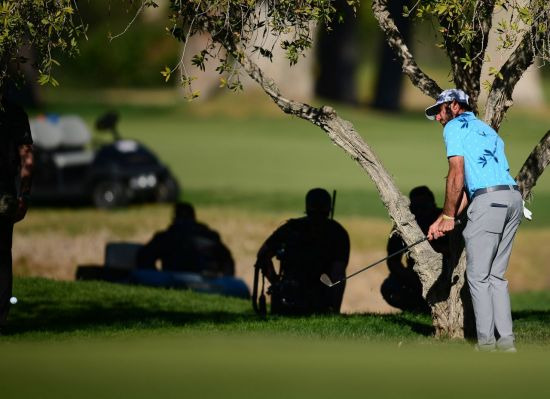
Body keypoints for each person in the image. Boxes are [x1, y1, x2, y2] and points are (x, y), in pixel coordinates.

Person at [425, 89, 523, 352]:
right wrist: (441, 220)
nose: (437, 119)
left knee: (478, 277)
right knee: (496, 277)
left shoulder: (454, 127)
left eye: (440, 111)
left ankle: (487, 347)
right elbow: (470, 189)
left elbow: (456, 174)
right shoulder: (485, 129)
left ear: (454, 106)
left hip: (489, 203)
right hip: (512, 199)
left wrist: (447, 216)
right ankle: (507, 346)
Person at [255, 188, 350, 315]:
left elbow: (262, 255)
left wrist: (276, 283)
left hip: (288, 296)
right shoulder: (339, 233)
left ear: (307, 207)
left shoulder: (290, 228)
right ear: (329, 209)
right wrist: (334, 310)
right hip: (319, 299)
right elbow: (338, 274)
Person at [381, 186, 448, 314]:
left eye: (424, 207)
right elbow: (393, 260)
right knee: (390, 287)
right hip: (412, 276)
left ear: (433, 205)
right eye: (416, 207)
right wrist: (408, 277)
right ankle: (414, 309)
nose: (421, 211)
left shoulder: (444, 223)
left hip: (444, 274)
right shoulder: (404, 227)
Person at [0, 94, 34, 331]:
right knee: (2, 254)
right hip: (5, 194)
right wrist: (25, 195)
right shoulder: (15, 112)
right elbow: (28, 161)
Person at [137, 202, 234, 276]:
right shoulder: (210, 236)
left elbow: (144, 258)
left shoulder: (166, 237)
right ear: (193, 217)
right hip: (208, 281)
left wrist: (159, 279)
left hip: (174, 279)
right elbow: (227, 262)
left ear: (175, 218)